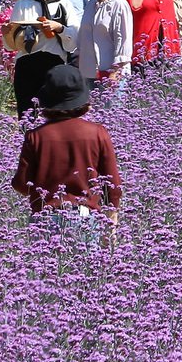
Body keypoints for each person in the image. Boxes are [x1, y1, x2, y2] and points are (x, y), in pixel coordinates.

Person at [11, 65, 121, 241]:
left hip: (45, 220)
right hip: (86, 219)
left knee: (44, 268)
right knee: (86, 268)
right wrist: (111, 220)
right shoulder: (98, 133)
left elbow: (22, 185)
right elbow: (113, 186)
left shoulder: (35, 137)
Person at [1, 0, 80, 114]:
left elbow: (73, 43)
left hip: (54, 65)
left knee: (52, 114)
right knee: (27, 115)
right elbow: (11, 46)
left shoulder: (65, 5)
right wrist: (7, 34)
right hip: (26, 66)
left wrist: (59, 28)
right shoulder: (22, 5)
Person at [75, 0, 133, 87]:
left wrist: (115, 71)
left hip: (111, 74)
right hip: (88, 73)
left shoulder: (119, 4)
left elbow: (123, 40)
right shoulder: (90, 4)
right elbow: (83, 36)